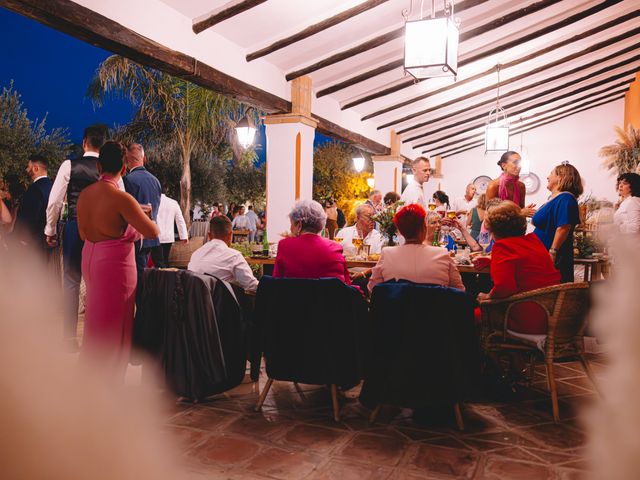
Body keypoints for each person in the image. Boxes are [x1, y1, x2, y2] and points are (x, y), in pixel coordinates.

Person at [76, 141, 159, 375]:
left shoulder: (84, 196)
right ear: (123, 168)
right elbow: (153, 231)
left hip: (91, 259)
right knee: (117, 324)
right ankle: (110, 380)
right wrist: (143, 214)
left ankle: (91, 371)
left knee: (96, 319)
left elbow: (83, 233)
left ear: (98, 166)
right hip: (115, 265)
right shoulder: (121, 198)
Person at [45, 125, 107, 348]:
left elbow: (54, 201)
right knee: (97, 281)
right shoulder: (107, 169)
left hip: (74, 226)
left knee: (71, 280)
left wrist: (50, 230)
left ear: (84, 143)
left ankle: (69, 338)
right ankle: (96, 338)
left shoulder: (69, 165)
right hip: (101, 231)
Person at [478, 201, 560, 335]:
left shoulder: (502, 247)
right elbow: (524, 265)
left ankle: (483, 355)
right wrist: (491, 261)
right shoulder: (534, 241)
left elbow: (505, 287)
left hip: (525, 319)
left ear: (494, 229)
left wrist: (487, 296)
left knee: (470, 315)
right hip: (551, 316)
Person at [368, 204, 465, 292]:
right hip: (434, 311)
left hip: (397, 311)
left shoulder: (387, 253)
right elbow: (459, 291)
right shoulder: (442, 253)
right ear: (424, 228)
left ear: (400, 232)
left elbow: (372, 288)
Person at [274, 199, 352, 285]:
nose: (290, 228)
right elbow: (347, 283)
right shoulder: (336, 247)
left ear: (299, 225)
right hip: (328, 297)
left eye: (292, 223)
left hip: (294, 297)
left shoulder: (284, 245)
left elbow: (277, 281)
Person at [532, 163, 583, 283]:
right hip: (540, 253)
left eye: (551, 173)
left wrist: (552, 252)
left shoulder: (566, 198)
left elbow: (563, 227)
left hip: (552, 256)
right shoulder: (554, 198)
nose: (547, 177)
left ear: (561, 177)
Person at [188, 215, 259, 292]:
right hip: (220, 302)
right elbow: (251, 285)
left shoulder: (195, 254)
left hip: (195, 301)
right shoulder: (233, 256)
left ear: (209, 235)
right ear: (230, 234)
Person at [123, 143, 161, 280]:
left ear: (127, 161)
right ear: (143, 159)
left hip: (136, 238)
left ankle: (140, 300)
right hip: (151, 236)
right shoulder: (155, 181)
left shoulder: (128, 180)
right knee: (144, 272)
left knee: (136, 276)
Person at [14, 154, 53, 251]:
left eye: (28, 167)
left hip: (34, 242)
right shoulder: (53, 186)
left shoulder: (35, 189)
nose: (27, 170)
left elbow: (30, 217)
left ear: (36, 168)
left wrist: (22, 238)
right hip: (49, 240)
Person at [486, 151, 536, 216]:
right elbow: (490, 214)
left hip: (515, 225)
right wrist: (519, 213)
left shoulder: (521, 186)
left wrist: (528, 212)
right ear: (504, 166)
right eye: (515, 162)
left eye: (520, 163)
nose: (519, 166)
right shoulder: (493, 186)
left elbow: (521, 209)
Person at [152, 193, 188, 268]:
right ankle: (166, 276)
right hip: (168, 237)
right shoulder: (173, 202)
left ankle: (162, 277)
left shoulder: (153, 200)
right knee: (165, 260)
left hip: (156, 236)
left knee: (158, 261)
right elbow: (180, 220)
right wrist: (184, 236)